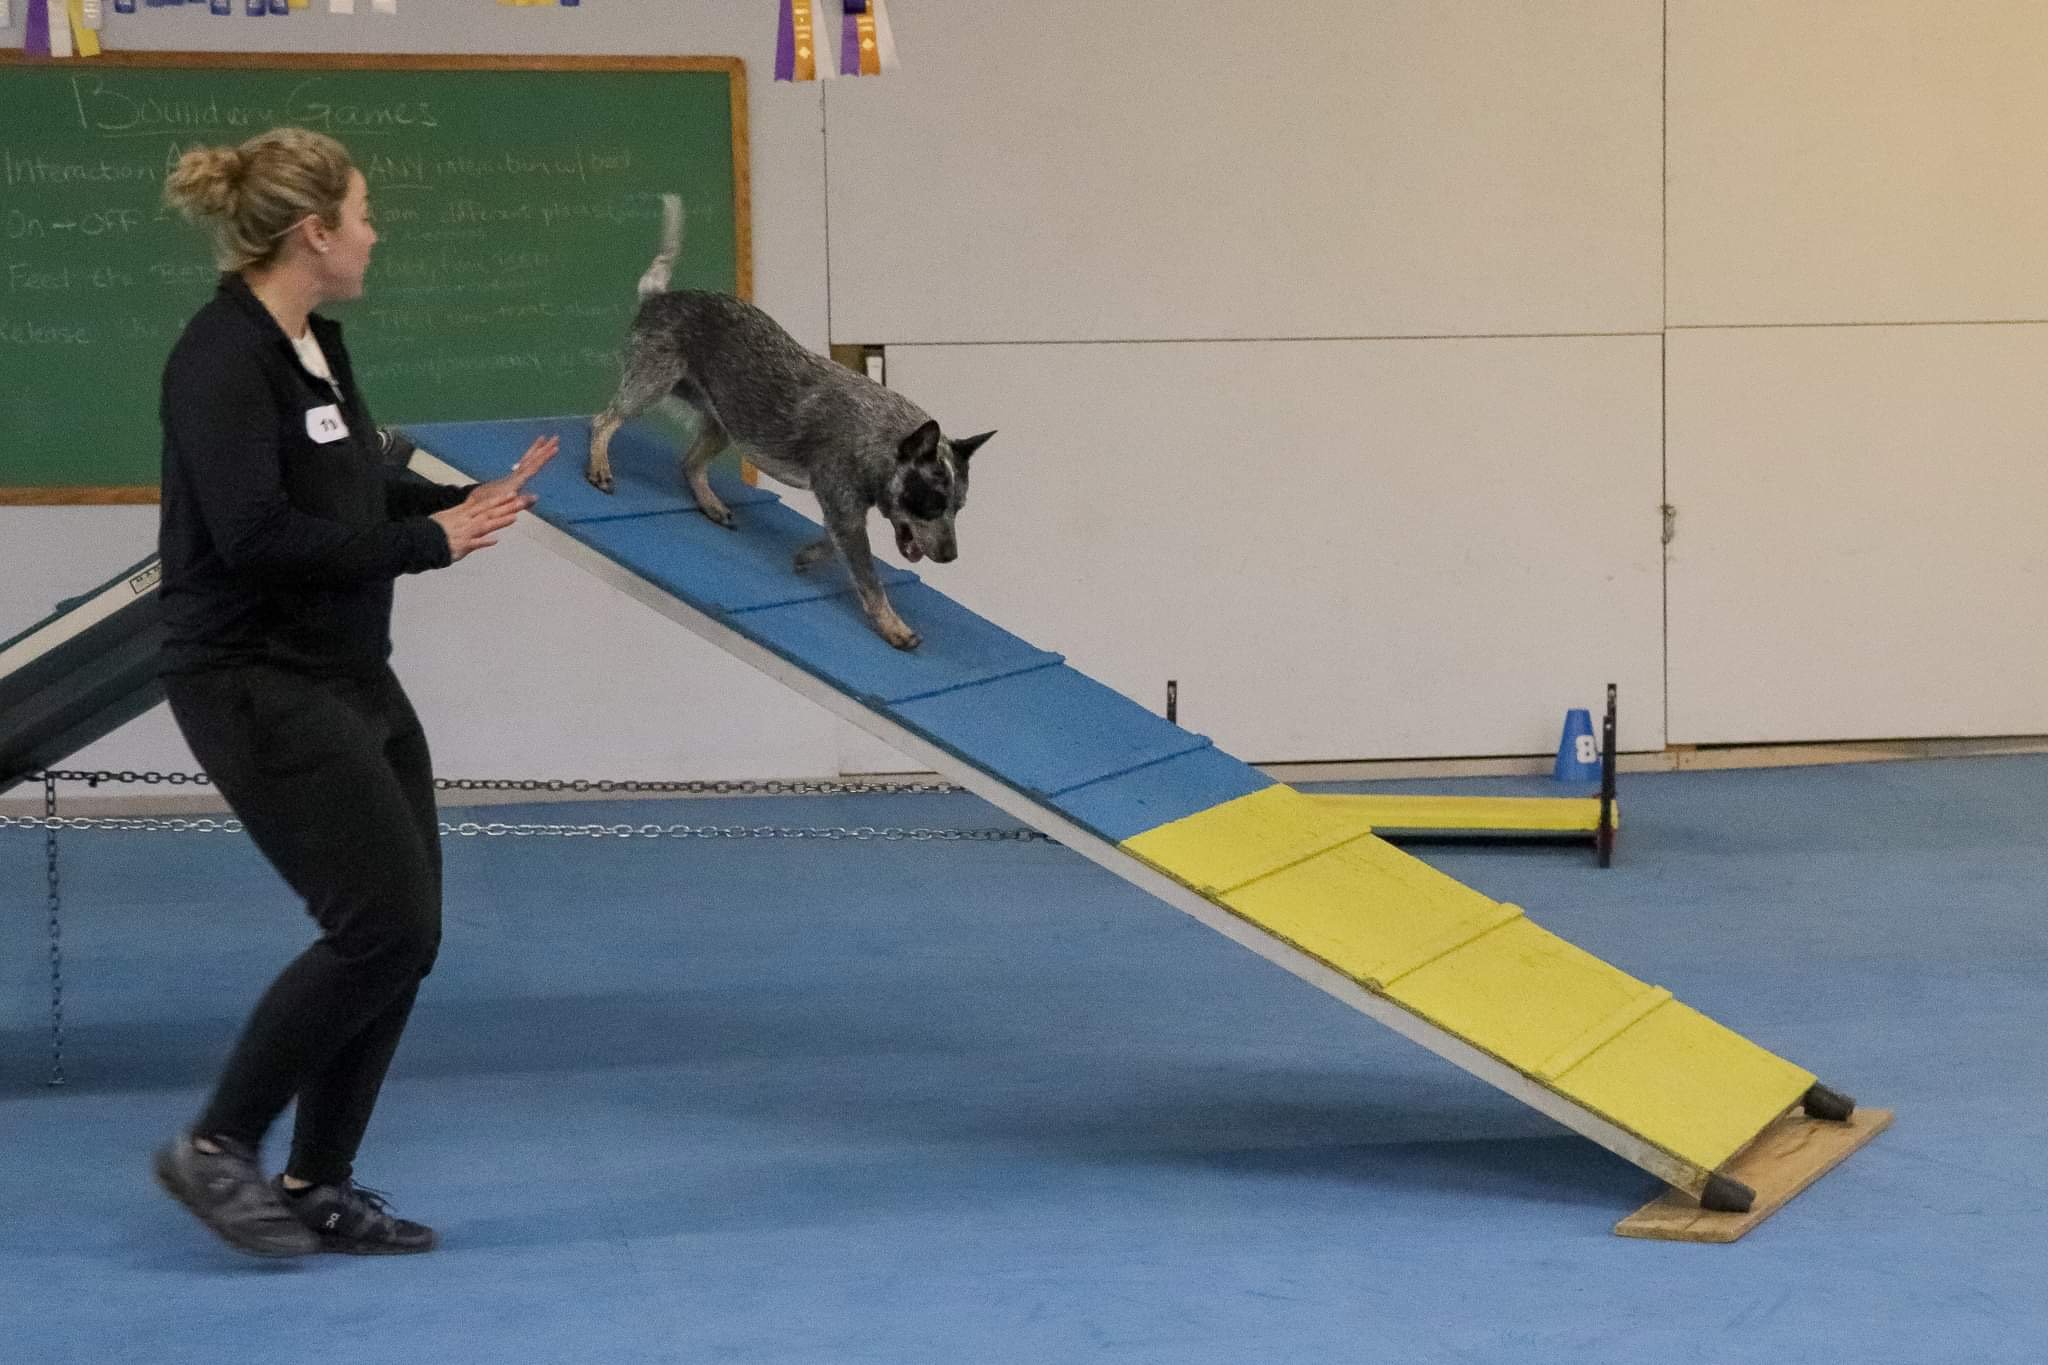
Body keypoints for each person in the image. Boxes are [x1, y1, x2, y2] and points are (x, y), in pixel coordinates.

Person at [149, 127, 558, 1257]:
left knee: (405, 935)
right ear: (312, 232)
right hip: (251, 677)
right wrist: (432, 543)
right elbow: (259, 536)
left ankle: (320, 1180)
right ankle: (217, 1146)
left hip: (344, 670)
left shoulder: (311, 342)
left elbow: (342, 476)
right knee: (380, 926)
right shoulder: (220, 359)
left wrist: (457, 494)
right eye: (364, 215)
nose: (376, 234)